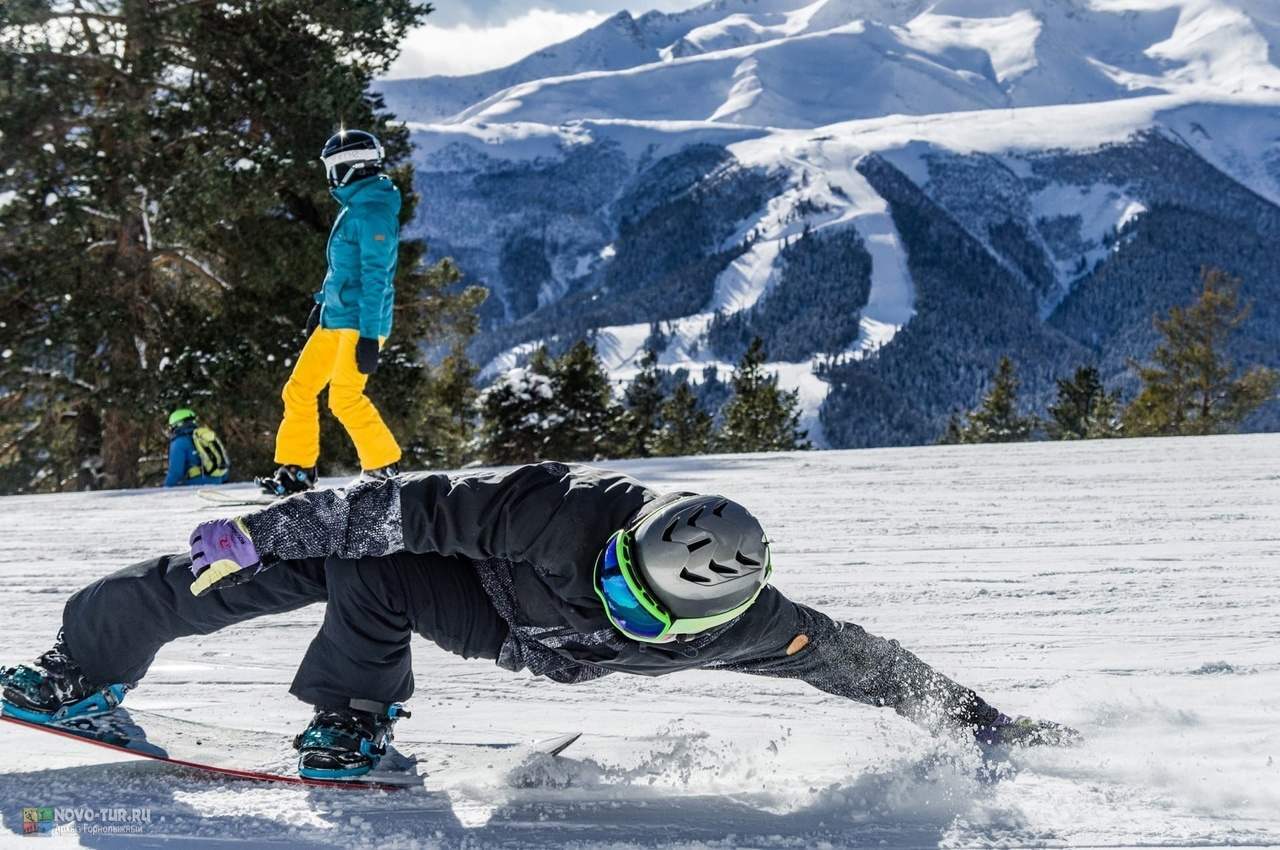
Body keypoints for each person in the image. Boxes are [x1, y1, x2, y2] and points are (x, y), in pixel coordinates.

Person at [0, 463, 1076, 781]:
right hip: (479, 569)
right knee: (330, 551)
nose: (608, 593)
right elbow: (395, 504)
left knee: (375, 582)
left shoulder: (752, 626)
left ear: (688, 621)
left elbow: (865, 663)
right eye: (613, 574)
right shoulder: (555, 509)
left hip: (501, 631)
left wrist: (979, 721)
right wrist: (254, 527)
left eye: (632, 610)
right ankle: (78, 666)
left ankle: (351, 719)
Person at [257, 129, 403, 498]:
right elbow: (342, 271)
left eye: (333, 168)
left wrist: (370, 335)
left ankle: (382, 468)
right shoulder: (355, 208)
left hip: (359, 325)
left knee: (345, 398)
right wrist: (321, 305)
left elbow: (376, 279)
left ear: (352, 167)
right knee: (299, 390)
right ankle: (297, 470)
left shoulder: (373, 214)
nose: (330, 177)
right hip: (335, 320)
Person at [163, 408, 230, 488]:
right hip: (218, 480)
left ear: (176, 425)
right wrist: (223, 479)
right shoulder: (204, 436)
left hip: (196, 484)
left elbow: (176, 472)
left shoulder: (179, 442)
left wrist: (166, 488)